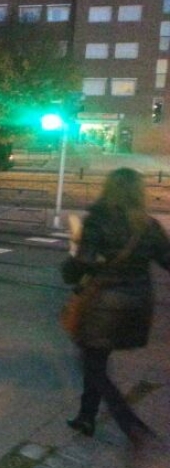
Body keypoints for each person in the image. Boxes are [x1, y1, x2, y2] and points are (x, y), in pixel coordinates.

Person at [61, 167, 170, 444]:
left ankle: (127, 421)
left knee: (92, 363)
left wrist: (69, 269)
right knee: (96, 361)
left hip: (102, 304)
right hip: (136, 306)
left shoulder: (98, 220)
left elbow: (82, 262)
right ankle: (86, 417)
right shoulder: (148, 225)